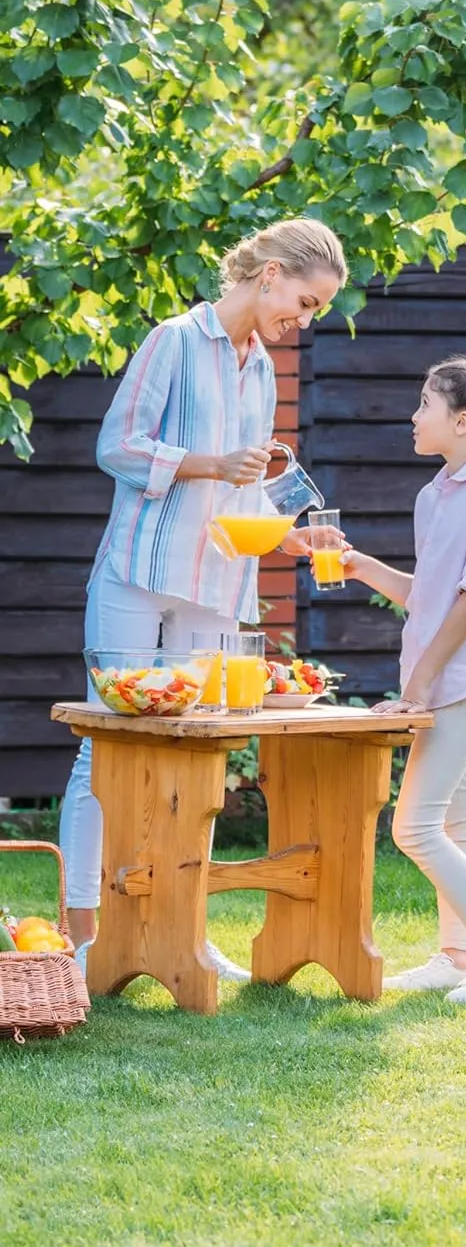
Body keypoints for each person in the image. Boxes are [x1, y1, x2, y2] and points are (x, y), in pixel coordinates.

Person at [62, 219, 348, 979]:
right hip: (138, 571)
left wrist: (288, 538)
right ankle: (83, 935)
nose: (305, 320)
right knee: (104, 748)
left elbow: (245, 489)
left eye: (315, 308)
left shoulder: (263, 371)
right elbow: (116, 447)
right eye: (306, 301)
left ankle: (183, 932)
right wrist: (210, 463)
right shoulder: (175, 341)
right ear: (270, 274)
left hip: (217, 583)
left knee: (199, 758)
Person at [341, 350, 466, 1006]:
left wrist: (419, 684)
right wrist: (357, 566)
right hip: (436, 678)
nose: (413, 416)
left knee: (413, 827)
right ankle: (457, 956)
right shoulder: (434, 496)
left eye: (424, 405)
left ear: (461, 420)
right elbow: (428, 594)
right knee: (456, 823)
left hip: (464, 680)